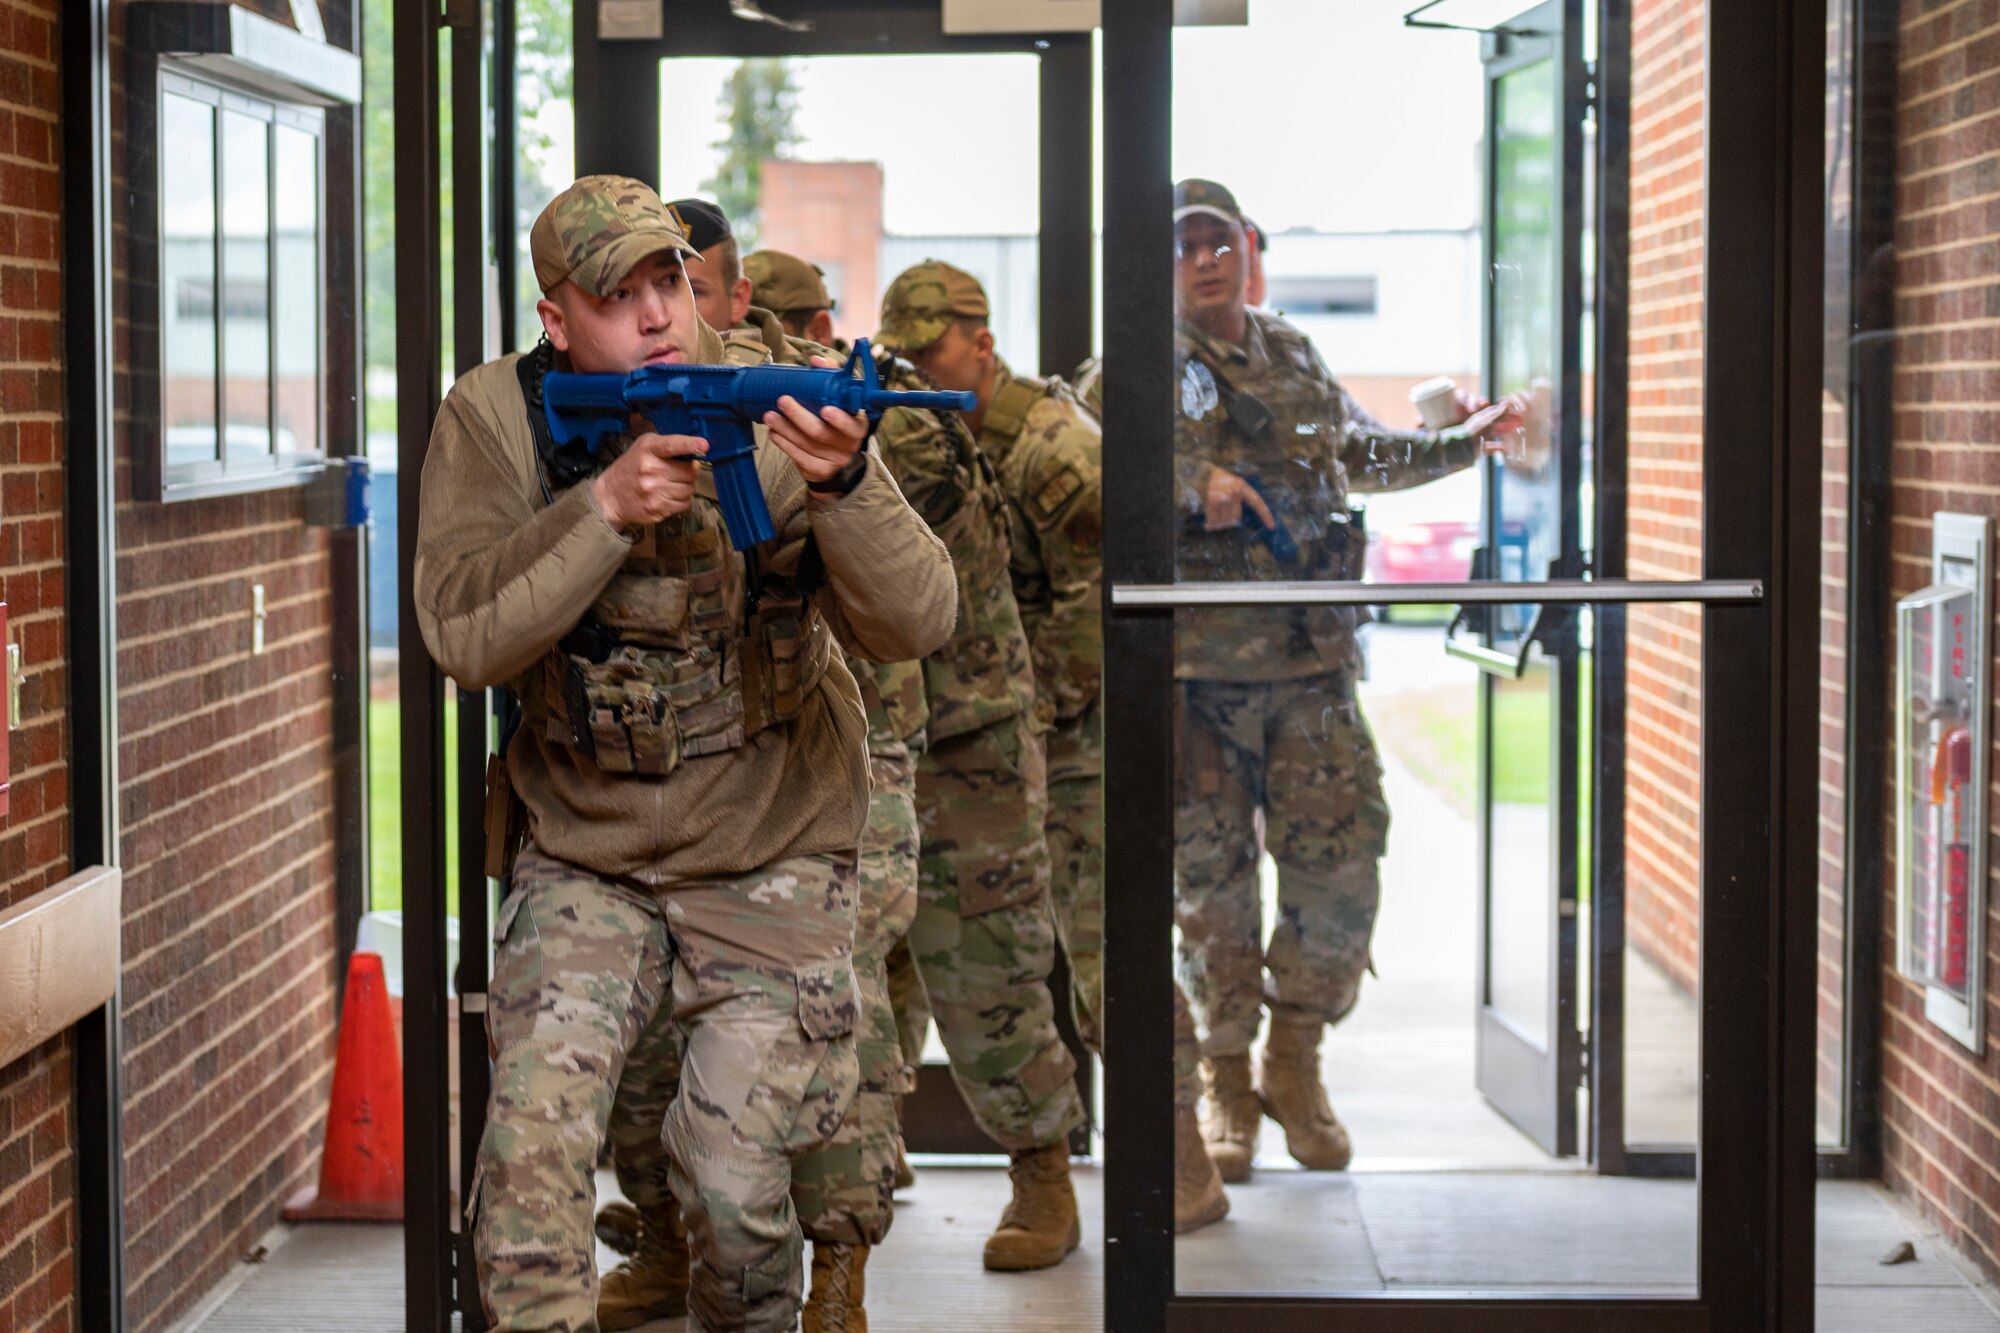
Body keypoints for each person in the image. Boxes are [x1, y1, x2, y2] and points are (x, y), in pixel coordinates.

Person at [415, 174, 955, 1333]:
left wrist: (847, 484)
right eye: (620, 296)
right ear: (558, 319)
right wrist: (600, 509)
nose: (659, 314)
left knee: (731, 1192)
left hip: (767, 840)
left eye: (669, 279)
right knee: (527, 1165)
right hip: (586, 850)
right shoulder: (497, 418)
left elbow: (919, 622)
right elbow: (461, 633)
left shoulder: (772, 405)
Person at [590, 223, 935, 1332]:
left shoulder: (807, 399)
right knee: (654, 1039)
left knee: (835, 1018)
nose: (667, 310)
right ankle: (662, 1230)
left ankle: (836, 1256)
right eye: (646, 288)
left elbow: (915, 590)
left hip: (841, 751)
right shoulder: (626, 393)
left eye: (687, 286)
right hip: (678, 773)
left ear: (734, 288)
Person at [1169, 178, 1525, 1183]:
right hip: (1197, 675)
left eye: (1220, 239)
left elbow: (1352, 453)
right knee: (1209, 889)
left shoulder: (1289, 352)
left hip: (1312, 662)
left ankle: (1295, 1059)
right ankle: (1225, 1085)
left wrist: (1464, 443)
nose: (1204, 258)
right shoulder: (1139, 365)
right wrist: (1190, 484)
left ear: (1248, 248)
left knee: (1340, 864)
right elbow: (1094, 462)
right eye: (1185, 243)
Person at [863, 262, 1091, 1273]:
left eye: (935, 343)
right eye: (905, 346)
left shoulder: (914, 430)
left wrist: (1042, 714)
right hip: (874, 737)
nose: (920, 363)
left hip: (968, 733)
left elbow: (1081, 601)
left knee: (991, 962)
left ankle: (1041, 1172)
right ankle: (848, 1198)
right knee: (860, 973)